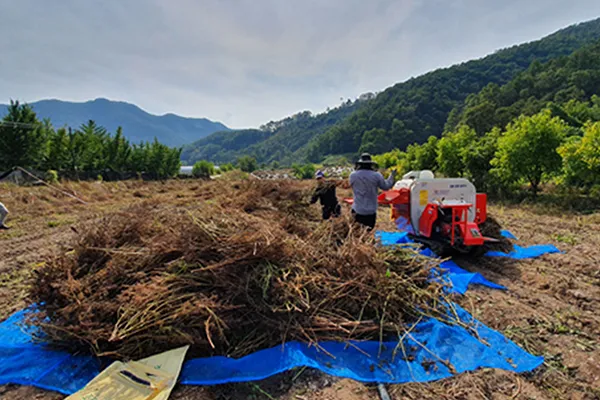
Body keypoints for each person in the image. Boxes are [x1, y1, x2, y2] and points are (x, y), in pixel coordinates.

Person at [349, 153, 396, 230]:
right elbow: (386, 186)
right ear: (370, 164)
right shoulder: (376, 175)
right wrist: (392, 176)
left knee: (356, 233)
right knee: (369, 231)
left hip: (357, 210)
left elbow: (350, 185)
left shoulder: (353, 175)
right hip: (370, 211)